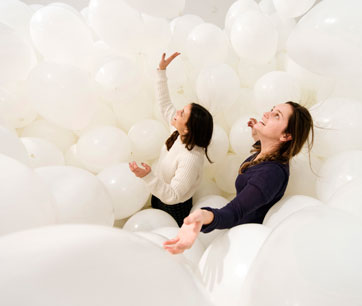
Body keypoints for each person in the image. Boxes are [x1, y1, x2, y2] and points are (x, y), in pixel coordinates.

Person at [163, 101, 314, 254]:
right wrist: (258, 136)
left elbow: (235, 212)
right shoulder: (267, 153)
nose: (266, 114)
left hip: (245, 239)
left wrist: (203, 216)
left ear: (286, 135)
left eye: (276, 116)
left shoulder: (270, 174)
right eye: (271, 110)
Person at [129, 52, 213, 227]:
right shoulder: (178, 131)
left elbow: (174, 196)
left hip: (173, 206)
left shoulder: (190, 158)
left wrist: (148, 177)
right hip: (160, 193)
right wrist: (161, 71)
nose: (177, 112)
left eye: (182, 113)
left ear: (188, 128)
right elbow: (165, 104)